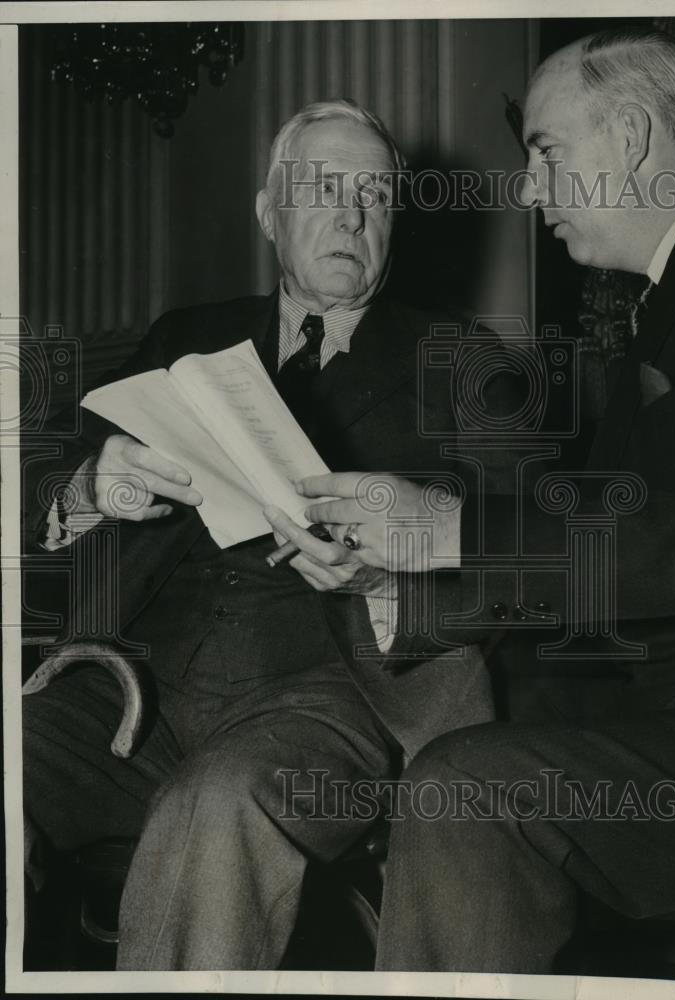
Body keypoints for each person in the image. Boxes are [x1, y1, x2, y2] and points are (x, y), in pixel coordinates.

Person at [267, 29, 675, 972]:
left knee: (467, 789)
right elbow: (603, 559)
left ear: (631, 137)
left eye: (546, 151)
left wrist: (452, 530)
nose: (526, 190)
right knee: (454, 764)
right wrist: (395, 585)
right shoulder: (670, 299)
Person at [21, 100, 501, 970]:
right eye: (323, 188)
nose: (351, 215)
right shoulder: (185, 337)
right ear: (268, 212)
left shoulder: (466, 364)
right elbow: (37, 475)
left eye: (375, 194)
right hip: (127, 694)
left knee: (218, 803)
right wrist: (96, 482)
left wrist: (385, 579)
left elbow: (530, 566)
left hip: (326, 705)